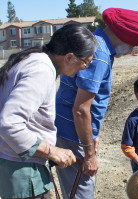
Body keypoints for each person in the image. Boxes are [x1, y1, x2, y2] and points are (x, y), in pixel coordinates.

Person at [55, 8, 138, 199]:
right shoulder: (99, 54)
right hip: (72, 133)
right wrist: (89, 154)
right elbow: (80, 110)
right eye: (134, 44)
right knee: (81, 192)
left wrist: (92, 135)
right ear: (124, 36)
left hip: (74, 131)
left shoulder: (98, 45)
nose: (133, 49)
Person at [0, 23, 98, 199]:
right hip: (23, 171)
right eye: (86, 62)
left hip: (16, 164)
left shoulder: (35, 59)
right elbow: (10, 124)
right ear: (69, 57)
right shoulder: (41, 70)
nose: (85, 67)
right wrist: (51, 151)